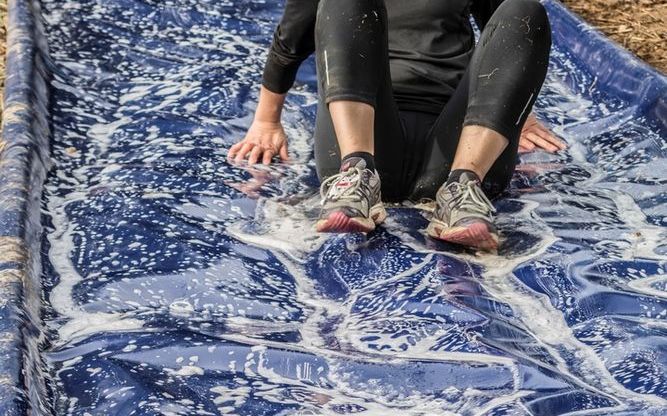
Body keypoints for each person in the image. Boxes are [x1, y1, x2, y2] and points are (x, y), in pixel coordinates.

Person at [229, 0, 566, 250]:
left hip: (456, 149)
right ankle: (356, 175)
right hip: (366, 140)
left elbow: (508, 30)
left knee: (526, 9)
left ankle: (462, 191)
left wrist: (515, 115)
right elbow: (290, 41)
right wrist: (266, 120)